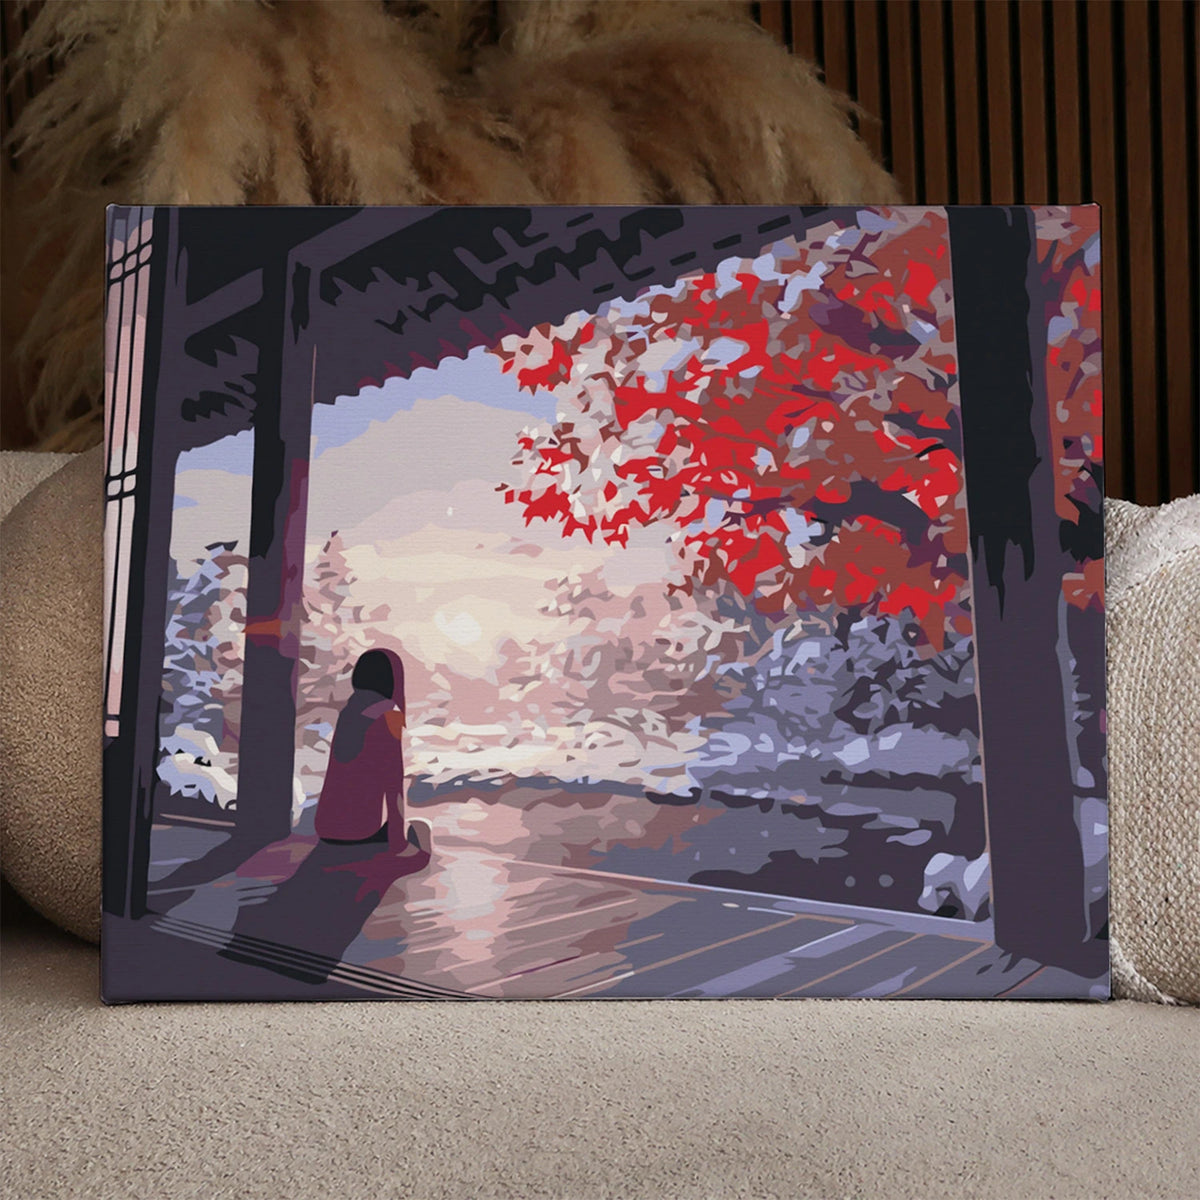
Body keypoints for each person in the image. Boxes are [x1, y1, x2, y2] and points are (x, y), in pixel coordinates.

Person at [314, 648, 431, 856]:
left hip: (325, 827)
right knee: (421, 829)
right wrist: (398, 842)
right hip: (359, 832)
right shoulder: (388, 715)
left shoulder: (349, 711)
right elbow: (393, 782)